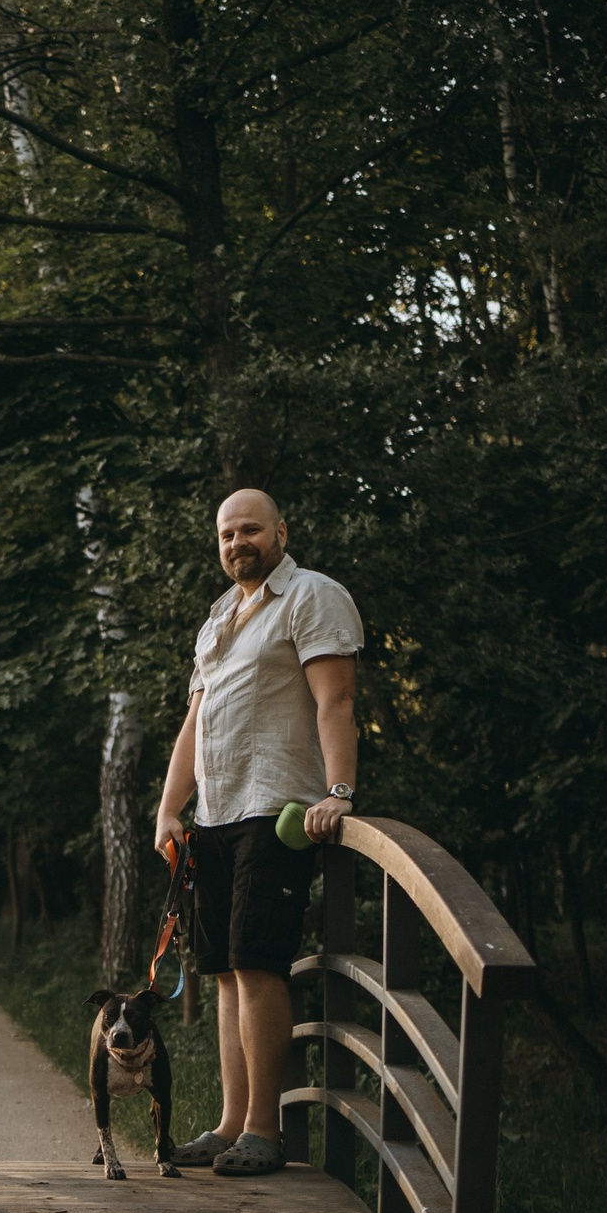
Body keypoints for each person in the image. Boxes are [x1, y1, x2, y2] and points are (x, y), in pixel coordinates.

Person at [151, 490, 363, 1177]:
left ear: (280, 531)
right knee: (223, 974)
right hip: (213, 816)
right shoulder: (217, 617)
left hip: (275, 810)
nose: (237, 542)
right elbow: (194, 725)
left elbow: (336, 700)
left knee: (257, 964)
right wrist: (169, 809)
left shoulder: (311, 596)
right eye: (225, 534)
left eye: (249, 530)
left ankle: (266, 1133)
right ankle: (231, 1124)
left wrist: (337, 793)